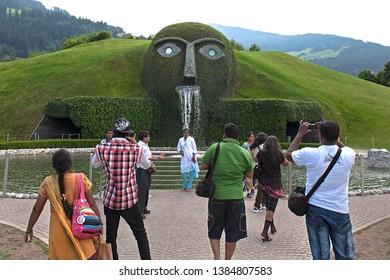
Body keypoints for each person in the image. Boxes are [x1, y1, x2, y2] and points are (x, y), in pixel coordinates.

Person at [285, 120, 356, 260]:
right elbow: (345, 148)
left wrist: (300, 133)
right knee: (346, 256)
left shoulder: (311, 153)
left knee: (320, 256)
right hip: (340, 210)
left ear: (320, 135)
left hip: (316, 209)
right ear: (338, 136)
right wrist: (333, 137)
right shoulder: (349, 154)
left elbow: (289, 154)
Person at [24, 149, 102, 260]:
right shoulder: (81, 178)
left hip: (58, 236)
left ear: (54, 166)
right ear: (70, 163)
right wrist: (100, 225)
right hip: (82, 230)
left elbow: (37, 209)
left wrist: (29, 229)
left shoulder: (48, 182)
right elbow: (93, 204)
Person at [92, 118, 151, 260]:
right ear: (129, 134)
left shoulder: (102, 148)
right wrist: (136, 143)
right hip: (129, 199)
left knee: (111, 237)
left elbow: (94, 165)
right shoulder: (136, 149)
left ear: (115, 132)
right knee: (140, 234)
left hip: (110, 201)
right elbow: (147, 165)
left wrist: (99, 149)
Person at [201, 123, 253, 260]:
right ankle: (227, 261)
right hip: (236, 198)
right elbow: (249, 175)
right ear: (238, 137)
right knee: (233, 231)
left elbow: (204, 166)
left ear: (224, 134)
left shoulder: (215, 148)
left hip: (216, 196)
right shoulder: (244, 153)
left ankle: (217, 257)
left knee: (214, 228)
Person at [256, 135, 289, 242]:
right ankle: (265, 231)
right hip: (275, 184)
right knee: (271, 207)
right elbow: (286, 164)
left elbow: (256, 159)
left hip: (263, 183)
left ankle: (272, 227)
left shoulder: (261, 153)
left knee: (269, 205)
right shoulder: (279, 154)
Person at [136, 130, 165, 219]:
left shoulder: (145, 146)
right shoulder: (139, 146)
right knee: (142, 190)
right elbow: (141, 157)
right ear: (144, 138)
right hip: (141, 170)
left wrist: (156, 157)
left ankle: (144, 207)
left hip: (147, 169)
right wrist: (154, 158)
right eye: (148, 136)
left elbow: (148, 156)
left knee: (146, 189)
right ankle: (139, 211)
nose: (149, 138)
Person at [250, 132, 268, 212]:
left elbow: (252, 158)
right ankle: (258, 205)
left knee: (262, 186)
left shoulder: (253, 147)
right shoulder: (263, 147)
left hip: (255, 168)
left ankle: (262, 203)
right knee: (262, 186)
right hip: (263, 168)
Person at [177, 128, 198, 192]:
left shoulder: (191, 139)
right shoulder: (181, 139)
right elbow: (178, 147)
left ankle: (189, 186)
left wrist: (194, 156)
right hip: (184, 158)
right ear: (183, 133)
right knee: (183, 172)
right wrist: (180, 151)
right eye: (185, 132)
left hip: (191, 157)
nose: (186, 133)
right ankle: (184, 185)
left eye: (187, 132)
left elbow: (194, 148)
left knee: (192, 171)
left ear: (189, 133)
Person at [242, 131, 255, 198]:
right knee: (248, 177)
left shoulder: (255, 145)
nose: (252, 138)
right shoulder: (245, 145)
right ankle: (249, 191)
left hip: (254, 163)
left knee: (251, 178)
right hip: (247, 163)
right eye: (251, 136)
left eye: (253, 136)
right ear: (248, 137)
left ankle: (251, 189)